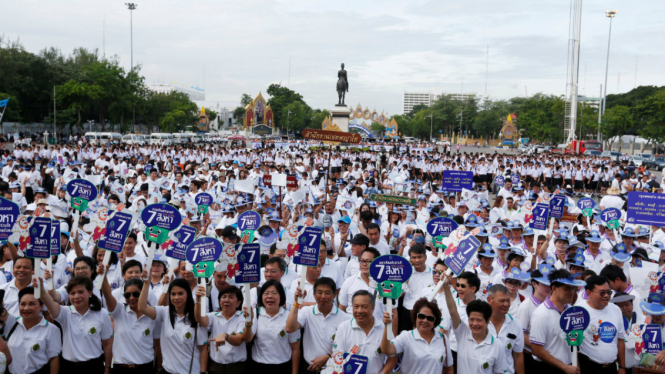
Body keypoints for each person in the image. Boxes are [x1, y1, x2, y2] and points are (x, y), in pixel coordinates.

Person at [38, 276, 113, 373]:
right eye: (72, 293)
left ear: (90, 293)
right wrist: (41, 290)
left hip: (94, 366)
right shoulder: (65, 313)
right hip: (69, 367)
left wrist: (107, 367)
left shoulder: (102, 313)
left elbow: (107, 344)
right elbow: (50, 303)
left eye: (80, 292)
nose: (76, 297)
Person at [138, 277, 208, 374]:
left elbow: (203, 349)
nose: (176, 298)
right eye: (173, 294)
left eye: (180, 293)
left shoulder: (197, 317)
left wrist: (203, 372)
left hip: (191, 371)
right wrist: (146, 283)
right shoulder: (164, 312)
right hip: (168, 370)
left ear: (188, 294)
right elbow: (142, 308)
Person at [98, 264, 160, 374]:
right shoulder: (119, 311)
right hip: (120, 368)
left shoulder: (153, 315)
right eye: (127, 295)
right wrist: (103, 276)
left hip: (145, 368)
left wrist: (159, 368)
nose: (131, 298)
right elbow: (107, 295)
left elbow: (157, 344)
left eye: (136, 294)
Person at [441, 274, 506, 374]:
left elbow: (499, 372)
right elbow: (452, 310)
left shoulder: (497, 346)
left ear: (488, 321)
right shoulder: (462, 334)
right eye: (471, 319)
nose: (474, 324)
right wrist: (446, 286)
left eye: (479, 320)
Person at [286, 277, 350, 373]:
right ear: (314, 295)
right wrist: (296, 303)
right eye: (319, 292)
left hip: (333, 369)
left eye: (327, 293)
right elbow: (289, 328)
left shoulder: (345, 318)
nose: (323, 296)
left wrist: (328, 357)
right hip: (309, 368)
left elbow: (348, 347)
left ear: (334, 295)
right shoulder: (306, 312)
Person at [530, 269, 584, 374]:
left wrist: (575, 366)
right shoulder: (541, 314)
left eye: (573, 288)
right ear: (554, 288)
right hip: (547, 368)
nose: (571, 293)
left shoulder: (571, 310)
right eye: (567, 288)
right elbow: (536, 349)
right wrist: (563, 367)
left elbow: (574, 342)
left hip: (569, 367)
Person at [380, 297, 453, 374]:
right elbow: (387, 349)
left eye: (430, 318)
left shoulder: (443, 338)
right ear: (415, 317)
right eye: (421, 316)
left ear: (435, 321)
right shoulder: (406, 337)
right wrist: (387, 326)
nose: (425, 320)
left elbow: (449, 368)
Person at [331, 290, 397, 374]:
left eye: (364, 306)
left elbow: (393, 357)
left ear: (373, 307)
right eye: (356, 306)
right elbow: (336, 357)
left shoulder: (384, 329)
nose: (359, 311)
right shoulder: (343, 328)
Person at [0, 286, 59, 374]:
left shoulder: (51, 329)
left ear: (41, 306)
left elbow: (54, 359)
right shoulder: (12, 323)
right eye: (23, 304)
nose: (26, 308)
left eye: (32, 304)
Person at [194, 285, 252, 374]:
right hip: (215, 367)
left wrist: (225, 336)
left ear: (238, 302)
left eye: (231, 297)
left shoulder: (243, 316)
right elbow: (200, 319)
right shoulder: (214, 316)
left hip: (236, 367)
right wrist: (198, 300)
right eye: (223, 297)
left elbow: (239, 339)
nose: (226, 300)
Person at [246, 280, 300, 374]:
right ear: (261, 296)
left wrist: (294, 372)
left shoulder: (289, 316)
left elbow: (295, 348)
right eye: (266, 293)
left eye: (274, 293)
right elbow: (248, 338)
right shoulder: (255, 313)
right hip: (258, 366)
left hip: (282, 367)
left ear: (281, 296)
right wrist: (249, 322)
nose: (270, 296)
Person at [578, 275, 627, 374]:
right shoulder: (579, 311)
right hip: (588, 367)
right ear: (589, 293)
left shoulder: (615, 309)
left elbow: (620, 339)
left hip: (611, 368)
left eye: (609, 292)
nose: (606, 296)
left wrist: (622, 367)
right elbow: (573, 345)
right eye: (602, 293)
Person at [487, 284, 525, 374]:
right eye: (502, 301)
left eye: (508, 300)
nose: (506, 304)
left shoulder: (515, 324)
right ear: (489, 300)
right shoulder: (479, 323)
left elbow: (518, 355)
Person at [610, 291, 643, 372]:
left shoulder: (644, 320)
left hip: (639, 364)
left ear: (632, 305)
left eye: (627, 305)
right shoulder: (611, 322)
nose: (624, 308)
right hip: (620, 365)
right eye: (620, 306)